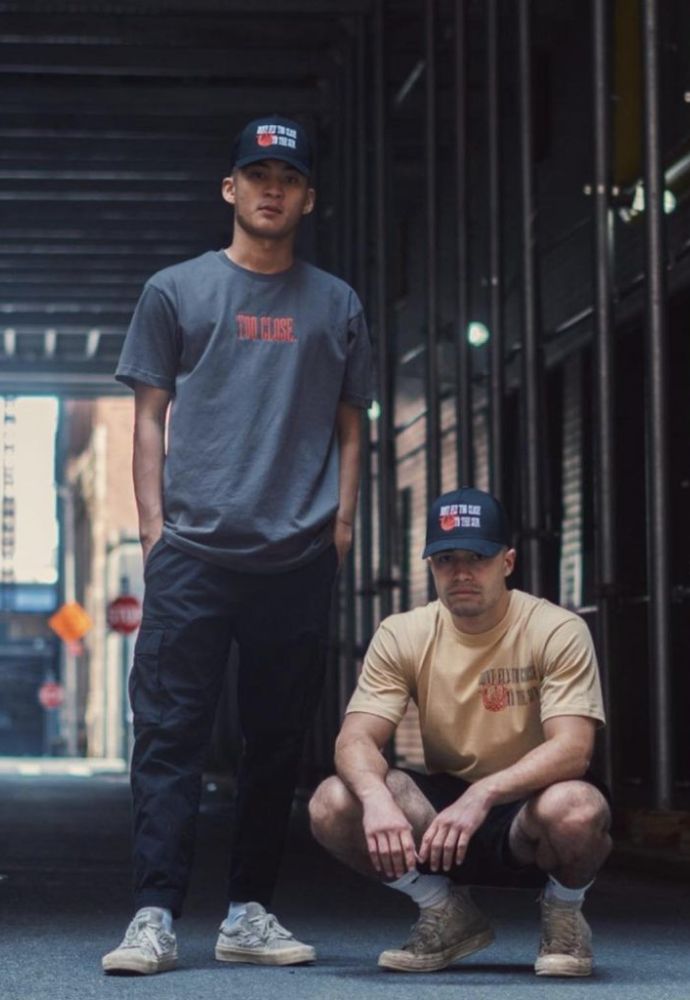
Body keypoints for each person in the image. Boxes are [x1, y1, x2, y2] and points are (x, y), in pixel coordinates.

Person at [102, 115, 372, 975]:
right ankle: (152, 914)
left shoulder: (336, 304)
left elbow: (351, 422)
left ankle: (249, 911)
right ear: (230, 189)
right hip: (193, 551)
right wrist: (153, 525)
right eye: (256, 174)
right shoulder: (175, 290)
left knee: (275, 741)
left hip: (295, 554)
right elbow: (147, 412)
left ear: (307, 198)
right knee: (169, 735)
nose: (270, 188)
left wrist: (341, 523)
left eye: (286, 178)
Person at [309, 486, 611, 977]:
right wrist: (376, 797)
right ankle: (445, 911)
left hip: (531, 808)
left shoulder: (555, 628)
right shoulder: (403, 633)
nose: (462, 572)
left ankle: (564, 915)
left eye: (479, 557)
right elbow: (355, 738)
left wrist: (486, 794)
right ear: (430, 566)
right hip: (441, 818)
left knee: (577, 808)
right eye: (446, 559)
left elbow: (574, 749)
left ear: (508, 562)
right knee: (332, 802)